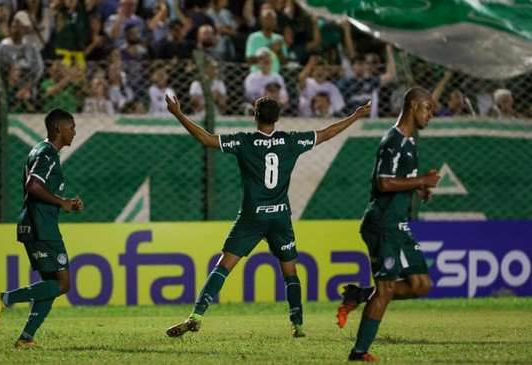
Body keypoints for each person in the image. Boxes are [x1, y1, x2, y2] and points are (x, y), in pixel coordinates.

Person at [164, 94, 371, 338]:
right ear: (278, 118)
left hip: (252, 217)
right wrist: (356, 116)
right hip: (280, 217)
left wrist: (178, 113)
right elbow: (326, 133)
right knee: (290, 272)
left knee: (223, 266)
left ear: (254, 116)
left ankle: (196, 315)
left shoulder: (244, 142)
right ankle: (298, 325)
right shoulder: (290, 141)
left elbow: (207, 139)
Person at [336, 87, 441, 362]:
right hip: (383, 223)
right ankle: (359, 353)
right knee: (387, 289)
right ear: (413, 106)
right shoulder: (393, 141)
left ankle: (360, 294)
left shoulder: (410, 143)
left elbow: (401, 180)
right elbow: (383, 182)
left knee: (421, 285)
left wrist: (420, 189)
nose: (431, 115)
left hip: (397, 223)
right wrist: (421, 182)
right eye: (428, 108)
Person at [0, 108, 84, 349]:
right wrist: (63, 203)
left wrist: (67, 202)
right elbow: (33, 186)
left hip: (37, 225)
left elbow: (40, 188)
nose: (74, 131)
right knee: (62, 285)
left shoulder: (43, 153)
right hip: (41, 228)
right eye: (71, 127)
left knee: (50, 286)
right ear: (58, 128)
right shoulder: (47, 154)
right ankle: (3, 299)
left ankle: (26, 338)